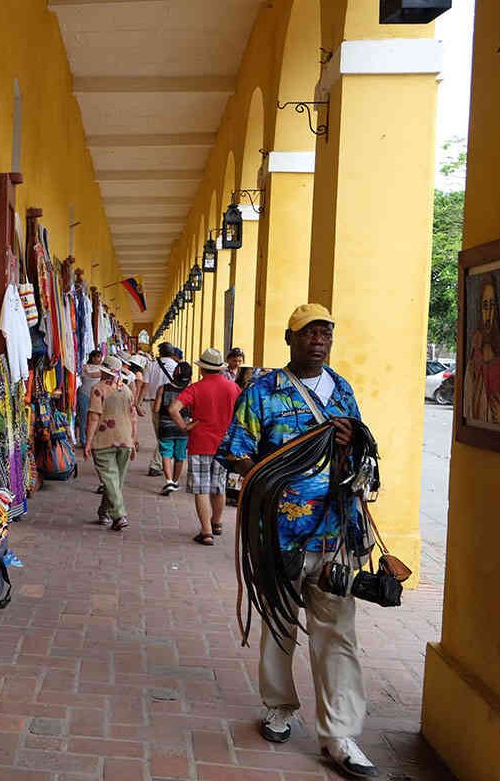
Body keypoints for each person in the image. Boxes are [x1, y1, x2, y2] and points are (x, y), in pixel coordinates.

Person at [216, 303, 378, 780]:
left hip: (333, 535)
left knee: (338, 634)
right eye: (309, 332)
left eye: (326, 331)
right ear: (290, 339)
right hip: (278, 535)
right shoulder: (263, 390)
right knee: (280, 622)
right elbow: (235, 452)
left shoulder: (342, 390)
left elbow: (360, 456)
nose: (319, 339)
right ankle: (279, 706)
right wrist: (272, 479)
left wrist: (350, 444)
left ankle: (340, 733)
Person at [168, 348, 240, 545]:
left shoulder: (195, 388)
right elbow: (241, 413)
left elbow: (173, 409)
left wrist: (184, 427)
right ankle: (216, 523)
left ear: (202, 370)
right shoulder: (233, 388)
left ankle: (206, 531)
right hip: (224, 443)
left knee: (201, 488)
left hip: (200, 443)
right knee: (219, 486)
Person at [85, 355, 137, 532]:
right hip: (125, 439)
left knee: (109, 478)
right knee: (115, 480)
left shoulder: (98, 389)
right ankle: (104, 512)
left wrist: (88, 442)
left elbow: (94, 417)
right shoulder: (127, 390)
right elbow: (133, 417)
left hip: (103, 438)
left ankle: (119, 515)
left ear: (102, 370)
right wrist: (134, 440)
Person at [463, 280, 500, 426]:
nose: (489, 313)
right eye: (485, 306)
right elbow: (468, 398)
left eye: (492, 305)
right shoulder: (475, 351)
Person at [156, 361, 192, 495]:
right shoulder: (189, 391)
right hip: (183, 427)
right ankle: (176, 482)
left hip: (165, 426)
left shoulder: (163, 389)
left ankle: (169, 481)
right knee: (180, 456)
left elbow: (156, 409)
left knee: (166, 454)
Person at [144, 342, 180, 476]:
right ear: (172, 354)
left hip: (154, 403)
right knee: (165, 435)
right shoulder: (177, 367)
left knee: (161, 434)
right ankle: (157, 463)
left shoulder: (151, 365)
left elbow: (145, 385)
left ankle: (157, 463)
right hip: (172, 403)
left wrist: (137, 402)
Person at [76, 350, 104, 446]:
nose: (99, 359)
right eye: (97, 357)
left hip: (96, 396)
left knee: (95, 418)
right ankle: (84, 440)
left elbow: (95, 375)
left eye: (100, 357)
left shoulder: (102, 368)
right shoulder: (85, 367)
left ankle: (92, 439)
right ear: (92, 358)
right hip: (84, 394)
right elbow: (92, 374)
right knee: (84, 418)